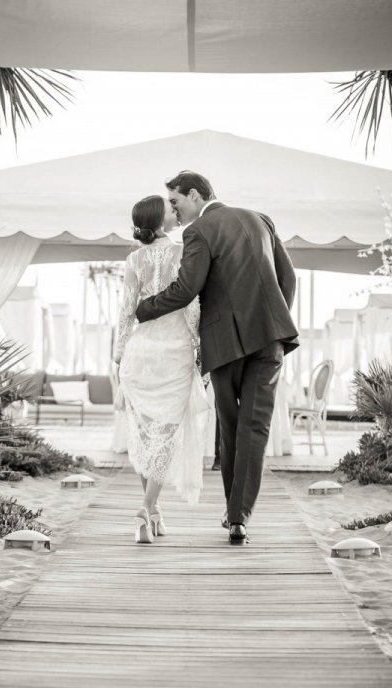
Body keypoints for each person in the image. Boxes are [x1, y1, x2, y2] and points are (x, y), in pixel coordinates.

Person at [136, 171, 299, 545]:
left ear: (194, 195)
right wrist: (273, 318)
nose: (173, 212)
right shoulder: (261, 219)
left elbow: (186, 288)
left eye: (175, 202)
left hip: (224, 344)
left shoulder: (199, 231)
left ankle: (235, 511)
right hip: (270, 338)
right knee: (254, 428)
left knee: (230, 427)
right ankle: (238, 516)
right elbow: (288, 280)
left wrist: (142, 310)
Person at [114, 195, 210, 544]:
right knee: (166, 436)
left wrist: (118, 356)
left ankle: (152, 512)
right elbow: (192, 308)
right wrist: (201, 350)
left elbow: (126, 312)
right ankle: (145, 508)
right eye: (170, 209)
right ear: (161, 220)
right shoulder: (184, 253)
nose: (175, 211)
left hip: (139, 354)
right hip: (174, 354)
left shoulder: (133, 260)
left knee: (144, 436)